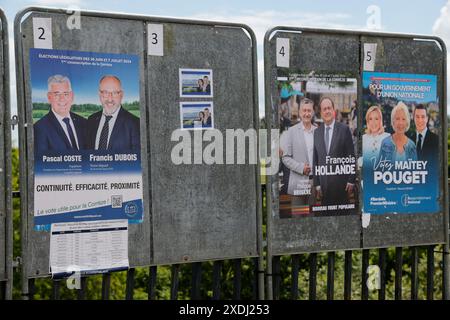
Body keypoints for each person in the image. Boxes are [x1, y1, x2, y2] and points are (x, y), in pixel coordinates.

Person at [313, 97, 356, 206]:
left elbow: (351, 156)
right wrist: (317, 184)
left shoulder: (344, 130)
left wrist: (351, 180)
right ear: (321, 113)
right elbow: (315, 159)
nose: (327, 111)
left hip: (341, 187)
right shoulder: (317, 133)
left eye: (329, 108)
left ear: (333, 110)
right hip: (323, 188)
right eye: (324, 109)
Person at [34, 75, 87, 155]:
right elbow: (42, 164)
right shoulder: (40, 128)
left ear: (72, 96)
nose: (62, 99)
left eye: (65, 94)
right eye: (57, 94)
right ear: (49, 97)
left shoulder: (83, 122)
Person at [87, 75, 140, 151]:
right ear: (99, 94)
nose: (110, 98)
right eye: (105, 92)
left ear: (121, 95)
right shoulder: (91, 120)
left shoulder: (135, 123)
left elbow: (137, 160)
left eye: (115, 93)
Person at [282, 98, 317, 202]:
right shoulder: (291, 132)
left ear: (313, 112)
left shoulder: (318, 131)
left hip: (314, 184)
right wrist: (301, 168)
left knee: (313, 216)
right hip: (297, 183)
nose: (306, 113)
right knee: (298, 216)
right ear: (299, 113)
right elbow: (285, 158)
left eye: (309, 110)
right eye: (304, 110)